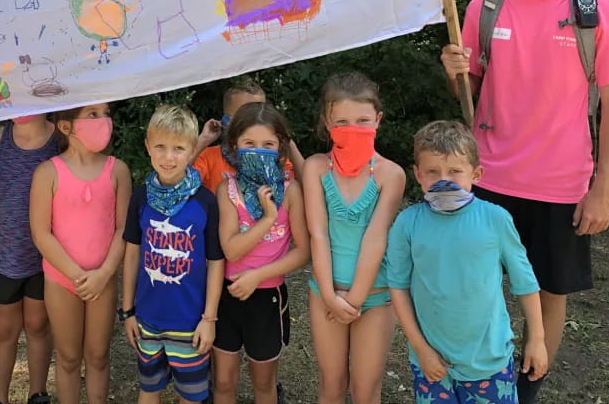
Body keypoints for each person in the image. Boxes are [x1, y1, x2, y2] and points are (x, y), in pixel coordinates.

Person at [440, 0, 609, 402]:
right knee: (478, 287)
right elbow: (470, 90)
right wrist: (454, 73)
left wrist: (604, 189)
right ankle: (477, 374)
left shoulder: (597, 10)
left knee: (549, 290)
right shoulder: (487, 4)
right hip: (486, 179)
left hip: (561, 183)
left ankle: (531, 380)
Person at [387, 120, 548, 404]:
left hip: (489, 362)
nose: (443, 180)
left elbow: (525, 281)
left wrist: (536, 338)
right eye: (433, 172)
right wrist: (421, 349)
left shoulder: (496, 219)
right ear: (418, 174)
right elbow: (398, 287)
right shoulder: (407, 223)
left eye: (454, 171)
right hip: (431, 363)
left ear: (476, 174)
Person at [303, 73, 405, 404]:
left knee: (365, 390)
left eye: (362, 121)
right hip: (325, 294)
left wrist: (354, 300)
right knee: (331, 384)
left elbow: (376, 239)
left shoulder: (391, 174)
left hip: (374, 298)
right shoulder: (316, 168)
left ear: (378, 120)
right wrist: (332, 297)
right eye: (342, 121)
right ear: (327, 122)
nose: (353, 128)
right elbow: (317, 233)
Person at [29, 102, 132, 404]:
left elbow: (122, 229)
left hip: (103, 279)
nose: (104, 120)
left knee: (98, 356)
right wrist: (77, 276)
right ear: (66, 126)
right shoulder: (47, 172)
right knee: (69, 357)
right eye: (93, 114)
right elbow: (41, 232)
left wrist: (102, 275)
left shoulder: (119, 170)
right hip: (62, 280)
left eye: (105, 113)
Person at [121, 104, 225, 403]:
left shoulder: (205, 202)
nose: (169, 157)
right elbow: (131, 255)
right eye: (161, 147)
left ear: (193, 149)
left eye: (179, 148)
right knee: (149, 389)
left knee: (190, 396)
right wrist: (127, 311)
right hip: (148, 320)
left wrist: (209, 319)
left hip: (190, 323)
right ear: (148, 147)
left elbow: (216, 262)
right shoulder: (140, 198)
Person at [213, 102, 310, 404]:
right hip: (226, 296)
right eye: (249, 144)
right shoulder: (226, 189)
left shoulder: (290, 191)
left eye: (268, 144)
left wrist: (258, 276)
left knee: (264, 383)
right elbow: (230, 248)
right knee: (224, 381)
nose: (259, 151)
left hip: (267, 297)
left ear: (280, 147)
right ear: (234, 146)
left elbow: (303, 252)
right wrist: (267, 219)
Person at [0, 114, 58, 404]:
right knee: (4, 329)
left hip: (44, 255)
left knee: (38, 325)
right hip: (3, 253)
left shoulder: (59, 139)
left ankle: (38, 394)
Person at [192, 79, 303, 193]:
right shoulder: (209, 157)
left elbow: (309, 189)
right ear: (226, 121)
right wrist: (203, 140)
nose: (255, 121)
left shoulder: (276, 159)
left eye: (261, 114)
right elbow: (176, 182)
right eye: (245, 116)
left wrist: (289, 143)